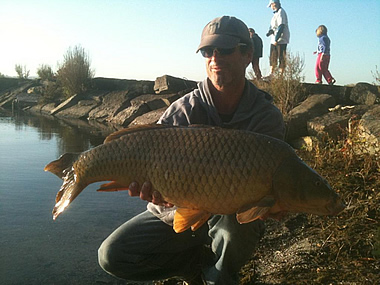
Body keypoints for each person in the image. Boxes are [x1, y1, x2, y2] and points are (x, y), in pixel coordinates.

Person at [98, 16, 285, 285]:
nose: (215, 57)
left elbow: (269, 192)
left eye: (226, 49)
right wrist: (155, 193)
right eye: (208, 51)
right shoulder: (182, 111)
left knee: (233, 229)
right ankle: (191, 266)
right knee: (111, 255)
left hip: (230, 217)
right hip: (178, 213)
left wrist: (275, 204)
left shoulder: (266, 117)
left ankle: (220, 275)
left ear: (247, 54)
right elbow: (152, 180)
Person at [265, 0, 290, 77]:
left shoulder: (281, 12)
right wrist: (269, 32)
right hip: (274, 39)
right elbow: (273, 26)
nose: (271, 7)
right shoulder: (275, 14)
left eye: (271, 5)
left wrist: (277, 38)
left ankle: (281, 75)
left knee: (281, 56)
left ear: (274, 4)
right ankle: (271, 73)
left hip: (281, 39)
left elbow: (281, 26)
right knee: (273, 56)